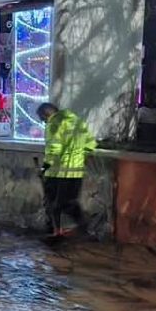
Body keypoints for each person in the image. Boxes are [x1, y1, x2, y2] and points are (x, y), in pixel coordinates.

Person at [38, 102, 97, 237]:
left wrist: (44, 167)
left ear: (46, 115)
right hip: (76, 172)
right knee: (69, 201)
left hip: (58, 171)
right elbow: (90, 144)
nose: (44, 123)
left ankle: (56, 231)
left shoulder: (54, 124)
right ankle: (83, 226)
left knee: (53, 202)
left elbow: (54, 150)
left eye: (43, 120)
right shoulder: (78, 122)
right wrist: (82, 158)